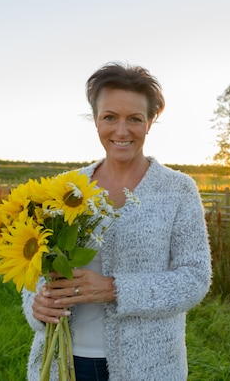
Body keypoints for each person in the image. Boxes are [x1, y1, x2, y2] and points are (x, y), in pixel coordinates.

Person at [21, 62, 212, 380]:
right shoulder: (65, 188)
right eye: (109, 117)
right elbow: (36, 266)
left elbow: (194, 279)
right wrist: (36, 305)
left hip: (149, 365)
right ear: (96, 119)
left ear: (150, 122)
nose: (121, 131)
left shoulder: (178, 190)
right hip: (63, 361)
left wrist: (114, 289)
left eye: (134, 119)